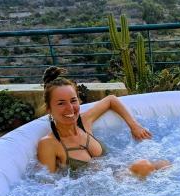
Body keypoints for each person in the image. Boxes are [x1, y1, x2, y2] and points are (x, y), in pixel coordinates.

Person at [37, 67, 168, 177]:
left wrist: (134, 126)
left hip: (114, 174)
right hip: (98, 192)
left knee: (165, 164)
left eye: (73, 100)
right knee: (143, 166)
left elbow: (111, 100)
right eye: (61, 103)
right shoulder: (49, 144)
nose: (70, 108)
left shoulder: (83, 121)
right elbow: (49, 186)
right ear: (49, 109)